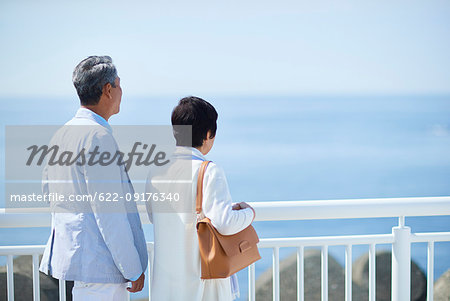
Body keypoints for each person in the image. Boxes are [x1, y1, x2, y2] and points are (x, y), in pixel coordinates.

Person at [39, 56, 148, 300]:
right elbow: (110, 215)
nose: (122, 91)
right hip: (101, 270)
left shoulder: (62, 133)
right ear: (108, 90)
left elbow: (49, 192)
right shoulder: (98, 137)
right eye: (119, 85)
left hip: (75, 264)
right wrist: (133, 269)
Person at [146, 96, 256, 300]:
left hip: (166, 283)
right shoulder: (209, 171)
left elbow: (155, 216)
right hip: (202, 282)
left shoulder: (156, 169)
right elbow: (225, 223)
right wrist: (250, 213)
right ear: (208, 134)